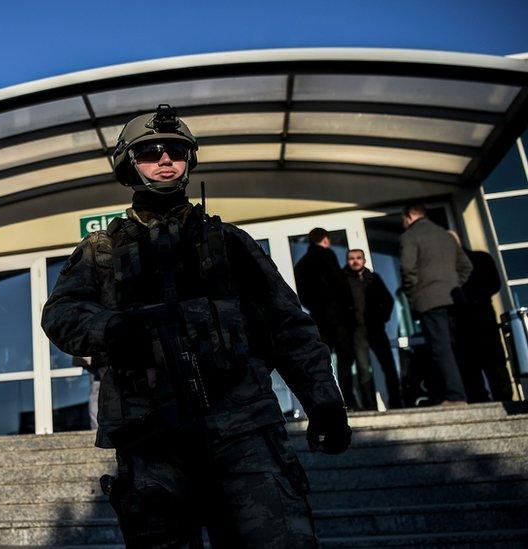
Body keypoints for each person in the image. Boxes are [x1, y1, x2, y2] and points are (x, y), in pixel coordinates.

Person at [42, 105, 350, 548]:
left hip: (243, 430)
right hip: (152, 439)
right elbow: (60, 313)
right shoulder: (101, 251)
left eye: (176, 151)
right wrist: (114, 329)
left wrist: (324, 400)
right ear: (129, 163)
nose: (166, 159)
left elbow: (288, 325)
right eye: (150, 152)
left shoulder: (229, 242)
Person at [400, 204, 472, 406]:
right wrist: (454, 285)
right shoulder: (446, 235)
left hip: (430, 301)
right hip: (454, 299)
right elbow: (466, 266)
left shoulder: (409, 236)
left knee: (441, 348)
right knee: (458, 346)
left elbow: (407, 269)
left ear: (410, 215)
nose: (403, 223)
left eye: (403, 219)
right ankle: (470, 392)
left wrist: (413, 294)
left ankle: (456, 396)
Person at [294, 228, 359, 406]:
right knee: (345, 357)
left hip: (319, 317)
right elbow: (339, 282)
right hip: (337, 315)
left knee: (323, 361)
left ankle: (326, 401)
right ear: (325, 240)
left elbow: (302, 294)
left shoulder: (301, 264)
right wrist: (349, 307)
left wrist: (316, 307)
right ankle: (349, 399)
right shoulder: (327, 255)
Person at [448, 231, 513, 402]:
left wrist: (471, 298)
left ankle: (496, 397)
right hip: (475, 321)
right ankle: (497, 396)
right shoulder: (455, 265)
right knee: (483, 364)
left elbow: (494, 284)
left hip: (477, 320)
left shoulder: (478, 259)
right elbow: (494, 284)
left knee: (489, 363)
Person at [343, 249, 401, 409]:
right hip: (357, 331)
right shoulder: (343, 280)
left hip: (375, 329)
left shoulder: (374, 278)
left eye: (358, 258)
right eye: (351, 258)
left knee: (388, 366)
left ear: (364, 260)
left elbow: (388, 300)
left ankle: (397, 403)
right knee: (363, 370)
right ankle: (370, 407)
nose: (355, 261)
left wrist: (382, 318)